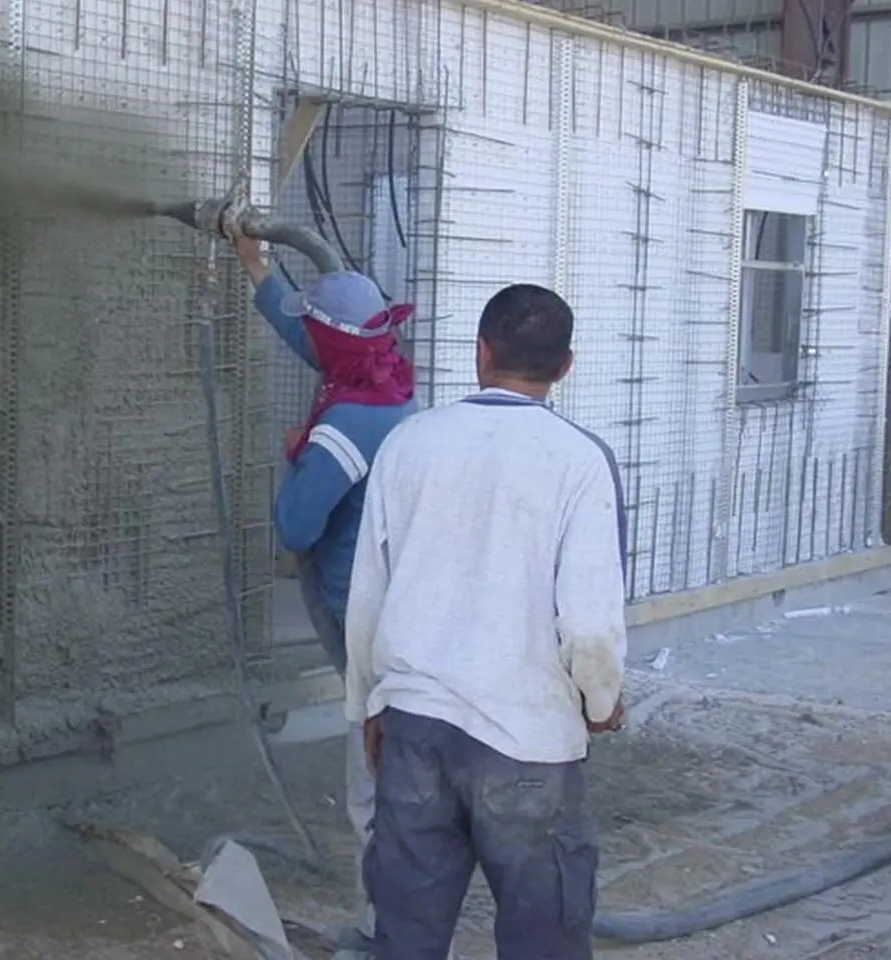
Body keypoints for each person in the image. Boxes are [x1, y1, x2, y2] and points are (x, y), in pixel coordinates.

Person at [344, 283, 628, 960]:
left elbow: (368, 595)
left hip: (415, 726)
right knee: (543, 938)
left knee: (406, 933)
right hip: (527, 740)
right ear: (565, 367)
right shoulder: (579, 460)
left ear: (481, 353)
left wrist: (368, 706)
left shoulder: (410, 443)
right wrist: (601, 699)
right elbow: (589, 623)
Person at [230, 226, 418, 956]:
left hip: (358, 613)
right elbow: (306, 335)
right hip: (394, 601)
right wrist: (255, 265)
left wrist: (298, 458)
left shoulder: (344, 425)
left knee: (372, 773)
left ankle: (388, 932)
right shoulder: (385, 382)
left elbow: (296, 526)